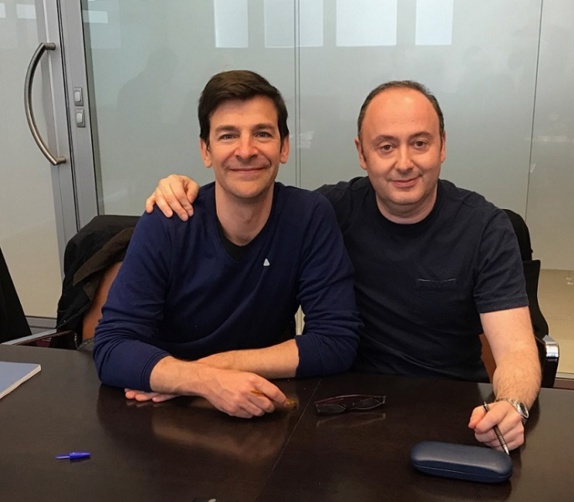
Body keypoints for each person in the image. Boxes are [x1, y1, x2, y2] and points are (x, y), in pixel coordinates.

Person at [145, 80, 541, 449]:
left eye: (419, 143)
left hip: (450, 407)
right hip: (340, 407)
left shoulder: (485, 226)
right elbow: (249, 195)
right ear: (361, 153)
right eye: (385, 146)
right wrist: (184, 188)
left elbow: (517, 351)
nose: (404, 163)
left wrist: (511, 404)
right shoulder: (325, 212)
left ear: (442, 146)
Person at [93, 70, 362, 419]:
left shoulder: (308, 216)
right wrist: (202, 382)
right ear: (206, 150)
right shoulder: (168, 220)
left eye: (262, 134)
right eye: (228, 135)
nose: (246, 150)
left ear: (284, 147)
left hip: (259, 401)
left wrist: (215, 371)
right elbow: (112, 348)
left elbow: (336, 342)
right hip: (164, 411)